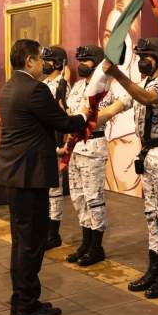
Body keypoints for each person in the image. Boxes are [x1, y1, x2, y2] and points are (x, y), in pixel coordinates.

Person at [0, 39, 88, 315]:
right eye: (39, 58)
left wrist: (54, 148)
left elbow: (31, 129)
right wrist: (88, 115)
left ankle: (20, 301)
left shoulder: (9, 86)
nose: (44, 63)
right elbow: (63, 122)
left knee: (21, 241)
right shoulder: (35, 89)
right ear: (29, 62)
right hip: (30, 175)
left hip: (16, 172)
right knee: (32, 242)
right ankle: (27, 304)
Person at [97, 38, 158, 299]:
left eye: (146, 55)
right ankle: (153, 269)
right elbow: (116, 107)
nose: (142, 60)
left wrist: (117, 73)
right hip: (147, 157)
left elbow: (146, 98)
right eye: (140, 55)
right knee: (151, 216)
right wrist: (82, 121)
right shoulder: (142, 83)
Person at [64, 45, 115, 266]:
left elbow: (94, 116)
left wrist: (76, 118)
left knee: (94, 198)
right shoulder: (76, 87)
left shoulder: (105, 89)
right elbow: (69, 112)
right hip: (75, 147)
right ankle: (85, 242)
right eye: (79, 61)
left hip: (93, 146)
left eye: (86, 61)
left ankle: (96, 246)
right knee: (78, 197)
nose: (81, 65)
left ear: (96, 62)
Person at [40, 45, 70, 250]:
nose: (44, 64)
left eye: (48, 60)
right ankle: (45, 230)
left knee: (55, 191)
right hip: (42, 142)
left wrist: (64, 145)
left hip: (56, 142)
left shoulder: (62, 86)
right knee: (44, 190)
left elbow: (64, 116)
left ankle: (53, 234)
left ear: (58, 63)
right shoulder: (42, 84)